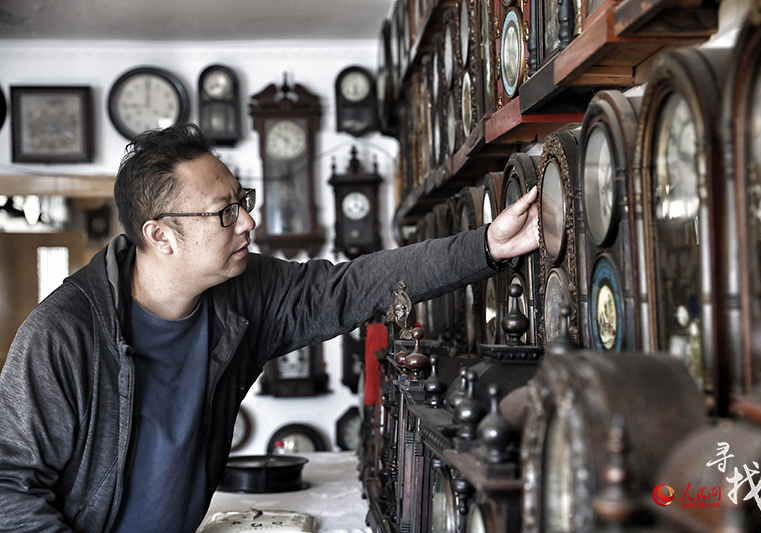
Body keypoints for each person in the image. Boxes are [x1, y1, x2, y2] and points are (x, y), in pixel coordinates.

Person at [0, 123, 540, 533]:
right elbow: (9, 490)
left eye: (244, 201)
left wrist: (486, 245)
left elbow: (352, 287)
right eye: (225, 212)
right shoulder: (60, 335)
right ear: (161, 236)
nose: (248, 221)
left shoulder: (245, 290)